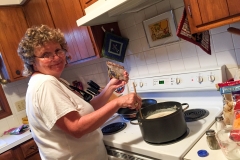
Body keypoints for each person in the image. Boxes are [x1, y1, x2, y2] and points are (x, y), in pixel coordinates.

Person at [17, 25, 142, 160]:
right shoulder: (45, 84)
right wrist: (118, 102)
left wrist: (109, 88)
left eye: (58, 50)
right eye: (46, 54)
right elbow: (76, 128)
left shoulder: (51, 81)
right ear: (32, 61)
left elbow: (87, 110)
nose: (56, 57)